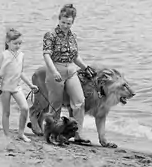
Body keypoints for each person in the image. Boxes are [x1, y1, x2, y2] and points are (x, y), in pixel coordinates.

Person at [42, 4, 91, 143]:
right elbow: (46, 55)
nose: (65, 25)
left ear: (73, 22)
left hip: (71, 70)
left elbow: (75, 57)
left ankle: (78, 134)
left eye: (68, 23)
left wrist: (85, 67)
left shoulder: (73, 36)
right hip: (55, 69)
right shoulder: (50, 35)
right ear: (59, 19)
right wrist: (54, 71)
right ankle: (53, 133)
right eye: (63, 22)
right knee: (55, 104)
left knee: (79, 101)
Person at [0, 28, 38, 142]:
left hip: (17, 87)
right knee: (6, 112)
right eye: (15, 43)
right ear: (8, 42)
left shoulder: (21, 55)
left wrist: (30, 84)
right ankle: (6, 135)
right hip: (4, 88)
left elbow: (21, 72)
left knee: (25, 108)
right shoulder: (4, 55)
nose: (17, 46)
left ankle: (21, 133)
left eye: (19, 43)